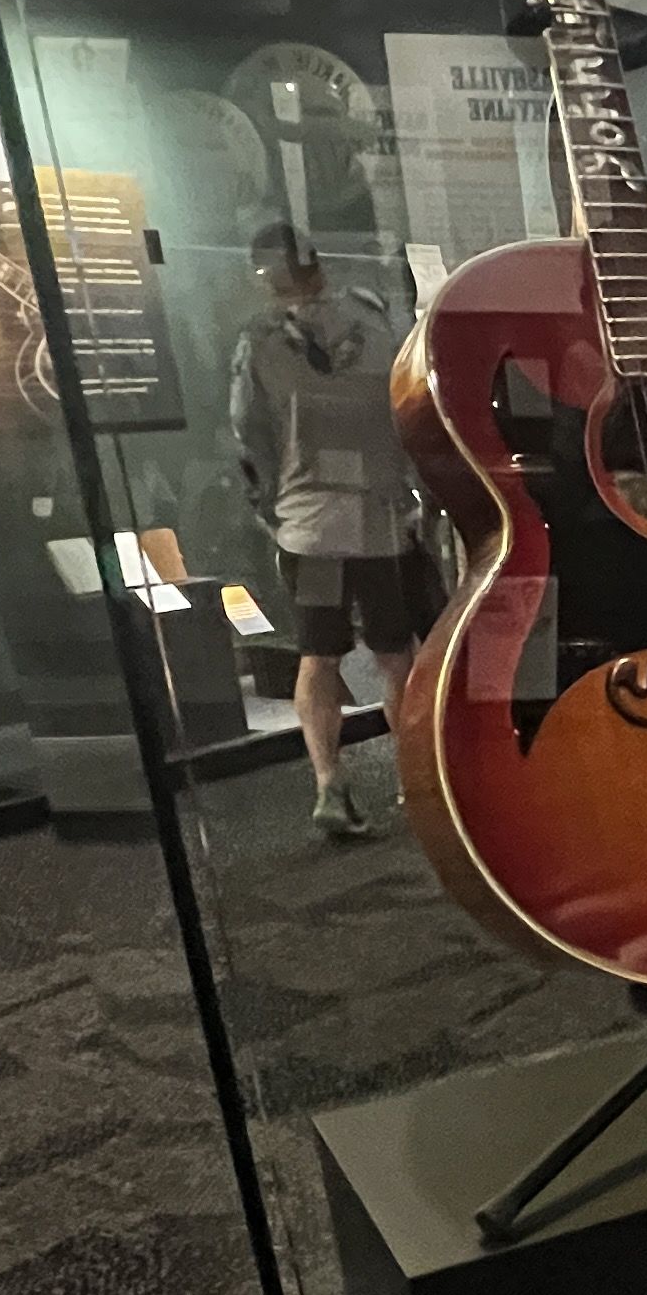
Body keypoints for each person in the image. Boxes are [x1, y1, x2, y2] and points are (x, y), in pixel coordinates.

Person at [228, 221, 426, 840]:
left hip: (325, 529)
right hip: (367, 524)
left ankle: (336, 784)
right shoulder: (366, 321)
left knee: (328, 652)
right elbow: (407, 401)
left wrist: (274, 507)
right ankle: (403, 782)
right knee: (390, 654)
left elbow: (248, 433)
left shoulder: (267, 340)